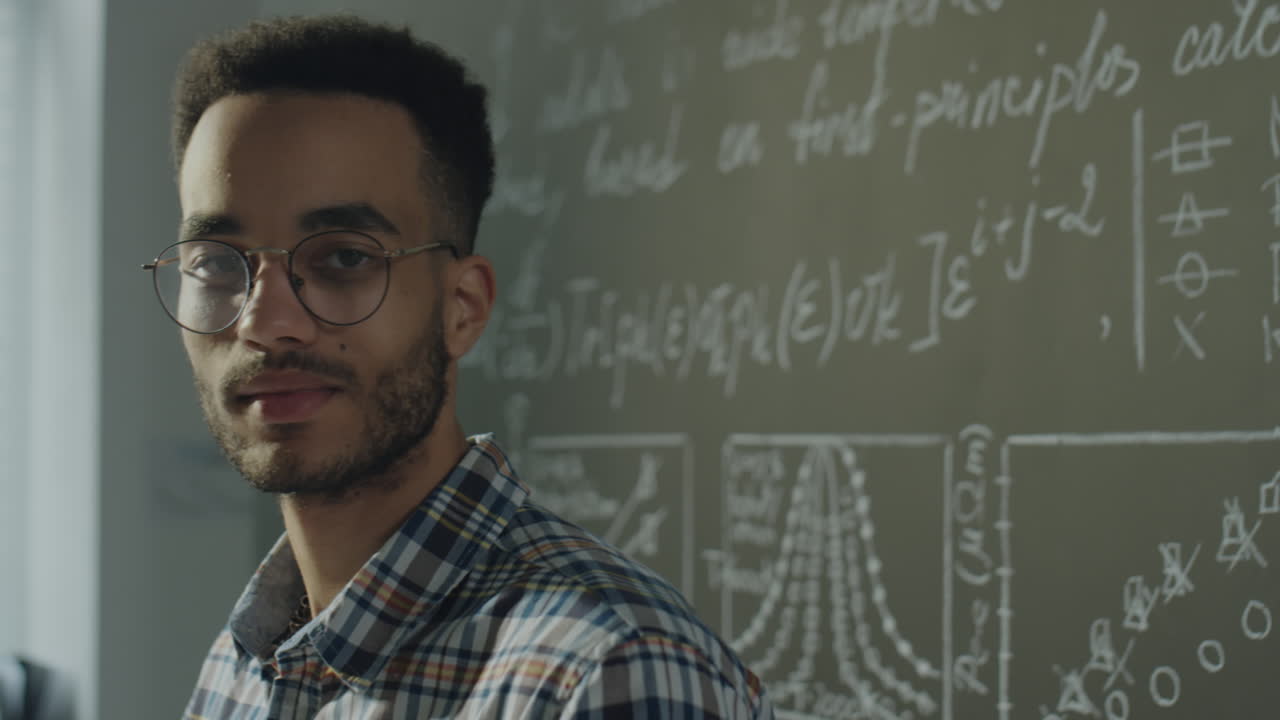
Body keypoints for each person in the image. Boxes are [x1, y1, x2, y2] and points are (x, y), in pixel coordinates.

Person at [148, 14, 773, 719]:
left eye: (344, 258)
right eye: (215, 264)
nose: (264, 321)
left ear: (463, 307)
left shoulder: (610, 671)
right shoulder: (250, 654)